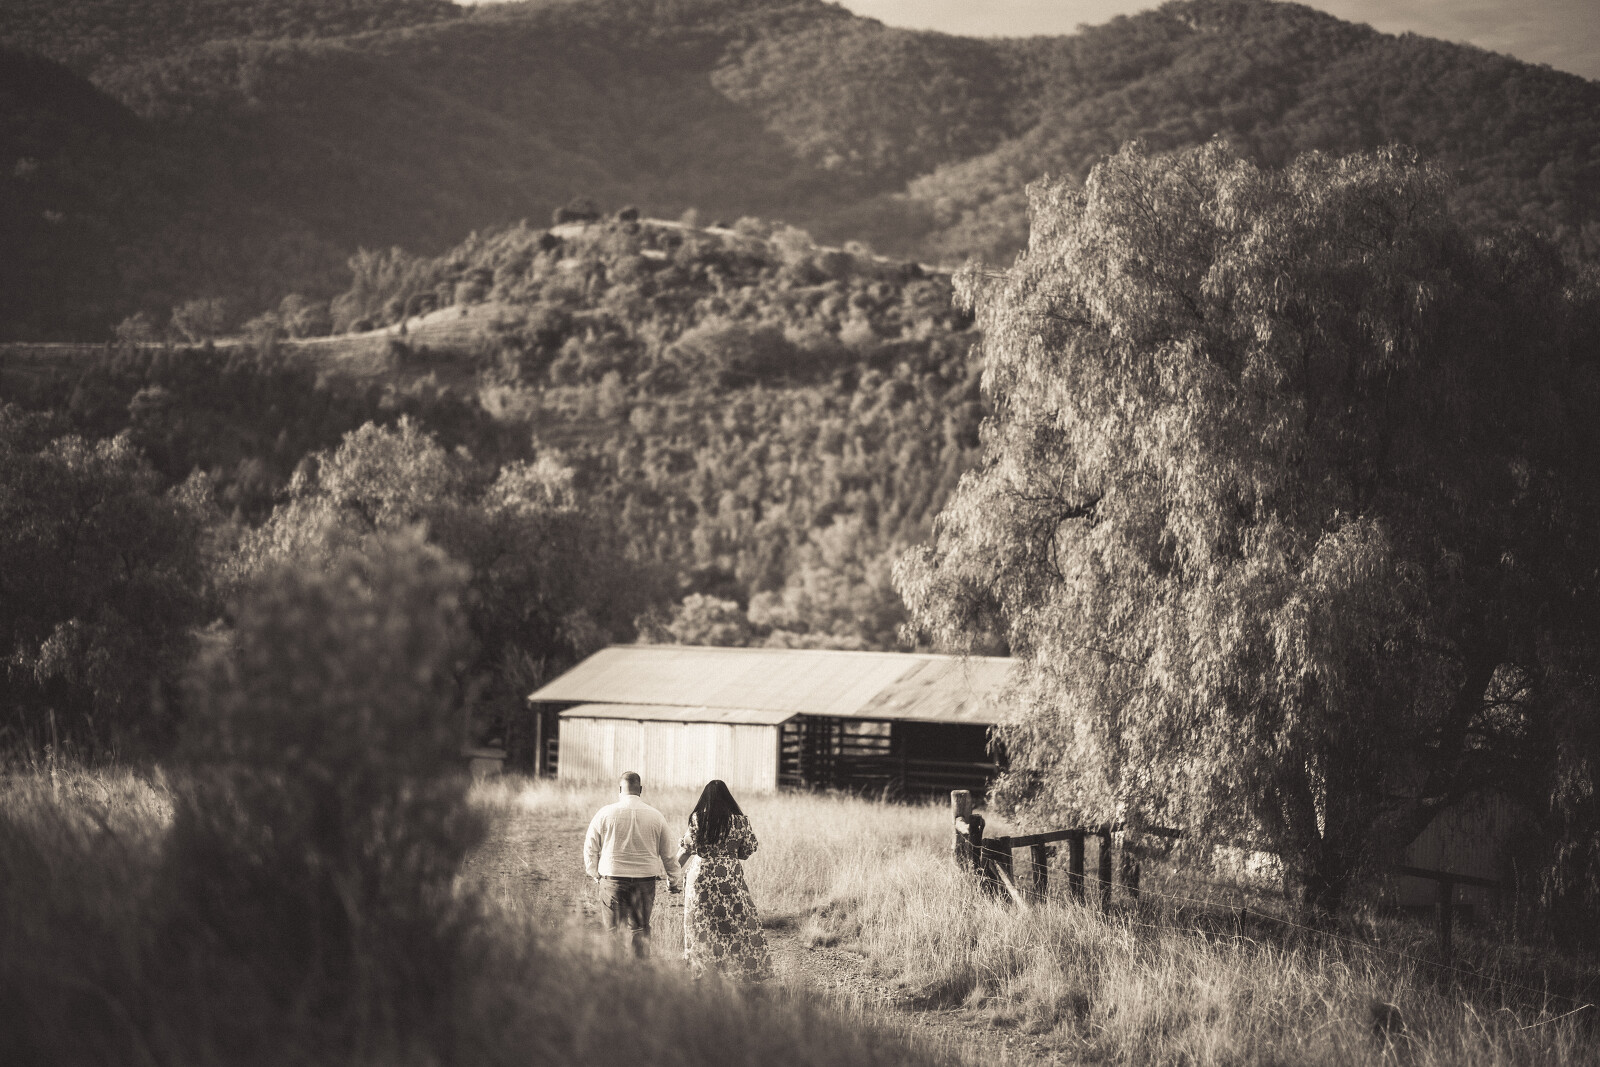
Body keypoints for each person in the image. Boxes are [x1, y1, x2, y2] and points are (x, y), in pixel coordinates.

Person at [677, 779, 772, 981]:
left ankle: (701, 973)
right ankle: (737, 972)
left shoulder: (697, 819)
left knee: (699, 926)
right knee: (736, 925)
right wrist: (729, 853)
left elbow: (686, 849)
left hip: (700, 878)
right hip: (730, 878)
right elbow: (747, 852)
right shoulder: (740, 822)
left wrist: (671, 873)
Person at [584, 771, 682, 958]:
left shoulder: (605, 813)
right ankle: (640, 970)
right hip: (645, 880)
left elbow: (590, 847)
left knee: (613, 932)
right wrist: (674, 880)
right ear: (641, 789)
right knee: (640, 929)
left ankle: (614, 970)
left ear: (620, 789)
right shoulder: (656, 816)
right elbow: (669, 853)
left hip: (612, 879)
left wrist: (594, 872)